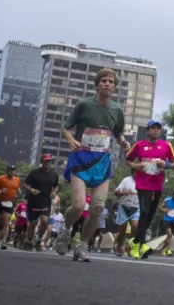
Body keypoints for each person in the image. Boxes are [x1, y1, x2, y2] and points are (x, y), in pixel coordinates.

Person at [54, 68, 130, 262]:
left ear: (114, 87)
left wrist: (122, 142)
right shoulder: (84, 105)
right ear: (97, 85)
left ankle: (82, 245)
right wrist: (71, 139)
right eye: (103, 81)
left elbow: (118, 132)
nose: (107, 84)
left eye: (111, 82)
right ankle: (66, 229)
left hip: (102, 162)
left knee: (97, 208)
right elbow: (66, 127)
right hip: (81, 159)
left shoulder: (116, 110)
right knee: (79, 206)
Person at [125, 119, 174, 259]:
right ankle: (139, 244)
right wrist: (134, 166)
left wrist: (164, 164)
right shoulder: (139, 145)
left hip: (157, 184)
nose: (155, 130)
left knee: (150, 215)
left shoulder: (166, 145)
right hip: (143, 184)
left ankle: (136, 242)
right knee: (144, 212)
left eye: (158, 128)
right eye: (153, 128)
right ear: (147, 131)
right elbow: (128, 159)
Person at [22, 153, 59, 252]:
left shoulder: (53, 175)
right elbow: (25, 184)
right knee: (33, 223)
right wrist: (32, 190)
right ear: (41, 162)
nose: (47, 163)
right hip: (33, 201)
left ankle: (38, 240)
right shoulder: (34, 173)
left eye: (49, 161)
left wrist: (54, 192)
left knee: (44, 221)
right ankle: (28, 242)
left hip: (45, 202)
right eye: (46, 161)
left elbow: (56, 185)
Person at [0, 165, 20, 249]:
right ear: (7, 171)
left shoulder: (17, 180)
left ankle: (3, 242)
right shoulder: (1, 178)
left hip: (9, 203)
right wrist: (0, 191)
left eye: (13, 170)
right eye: (10, 170)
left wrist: (18, 193)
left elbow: (17, 189)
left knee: (6, 223)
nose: (12, 172)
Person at [113, 175, 139, 257]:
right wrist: (125, 193)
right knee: (122, 229)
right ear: (133, 172)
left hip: (136, 207)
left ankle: (129, 246)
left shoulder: (143, 181)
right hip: (124, 207)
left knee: (135, 226)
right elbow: (116, 192)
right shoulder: (126, 180)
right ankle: (119, 246)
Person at [159, 192, 174, 256]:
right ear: (172, 195)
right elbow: (160, 207)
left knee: (169, 236)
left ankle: (163, 248)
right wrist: (164, 210)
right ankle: (169, 250)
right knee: (169, 234)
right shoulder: (167, 200)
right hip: (167, 219)